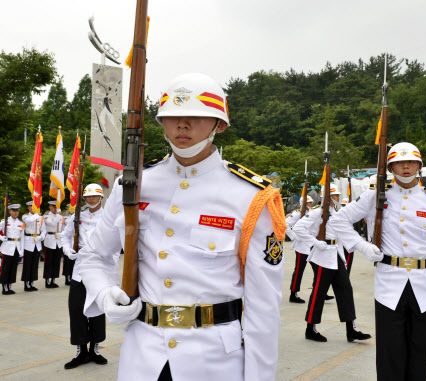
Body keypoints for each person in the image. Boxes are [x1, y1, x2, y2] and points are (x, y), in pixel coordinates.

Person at [76, 73, 286, 381]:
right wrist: (104, 292)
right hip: (141, 358)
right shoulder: (132, 185)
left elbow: (263, 308)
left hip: (213, 362)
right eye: (172, 116)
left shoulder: (252, 197)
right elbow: (93, 255)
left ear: (220, 124)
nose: (182, 125)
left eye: (196, 116)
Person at [329, 143, 426, 380]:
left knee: (421, 351)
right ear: (390, 166)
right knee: (389, 353)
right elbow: (338, 221)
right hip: (388, 285)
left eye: (411, 162)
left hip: (423, 286)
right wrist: (362, 246)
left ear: (419, 165)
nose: (406, 167)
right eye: (399, 162)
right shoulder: (376, 194)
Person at [293, 183, 370, 344]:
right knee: (319, 292)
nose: (338, 198)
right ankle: (310, 328)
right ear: (328, 197)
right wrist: (314, 242)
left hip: (336, 255)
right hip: (322, 256)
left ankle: (351, 329)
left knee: (346, 290)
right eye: (335, 196)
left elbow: (341, 234)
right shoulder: (318, 212)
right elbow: (298, 228)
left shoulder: (336, 212)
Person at [61, 183, 109, 369]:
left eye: (94, 196)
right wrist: (67, 250)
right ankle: (81, 350)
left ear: (100, 198)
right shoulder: (77, 216)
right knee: (76, 307)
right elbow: (64, 236)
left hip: (99, 266)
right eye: (88, 196)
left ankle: (95, 349)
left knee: (97, 308)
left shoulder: (107, 217)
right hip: (80, 267)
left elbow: (115, 242)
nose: (91, 199)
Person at [286, 195, 313, 303]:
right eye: (309, 203)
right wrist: (295, 237)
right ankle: (293, 294)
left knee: (319, 269)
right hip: (302, 247)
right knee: (299, 270)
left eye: (311, 202)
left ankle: (320, 291)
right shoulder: (298, 213)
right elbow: (286, 224)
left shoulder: (312, 213)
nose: (311, 204)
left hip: (311, 245)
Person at [21, 200, 46, 291]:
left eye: (35, 206)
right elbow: (28, 221)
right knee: (27, 264)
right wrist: (37, 215)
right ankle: (26, 283)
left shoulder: (40, 218)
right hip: (28, 243)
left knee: (35, 264)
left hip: (37, 243)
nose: (33, 208)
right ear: (28, 207)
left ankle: (32, 282)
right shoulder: (25, 216)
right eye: (32, 206)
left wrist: (41, 237)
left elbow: (44, 229)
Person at [0, 204, 25, 295]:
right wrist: (2, 237)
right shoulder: (5, 222)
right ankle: (4, 287)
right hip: (7, 247)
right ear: (10, 211)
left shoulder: (20, 223)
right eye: (14, 211)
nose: (15, 213)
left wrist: (21, 250)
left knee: (13, 268)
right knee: (6, 268)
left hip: (16, 248)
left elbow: (22, 238)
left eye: (17, 211)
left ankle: (10, 286)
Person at [43, 201, 65, 288]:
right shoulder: (46, 217)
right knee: (49, 262)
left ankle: (53, 279)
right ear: (50, 207)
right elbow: (52, 223)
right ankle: (47, 280)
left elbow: (62, 227)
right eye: (54, 206)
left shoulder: (60, 217)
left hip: (58, 241)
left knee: (56, 262)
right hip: (50, 240)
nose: (55, 208)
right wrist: (59, 215)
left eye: (56, 207)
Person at [61, 204, 74, 285]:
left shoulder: (80, 216)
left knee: (73, 262)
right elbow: (63, 229)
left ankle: (72, 276)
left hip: (75, 240)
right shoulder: (65, 218)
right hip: (68, 241)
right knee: (67, 261)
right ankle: (67, 277)